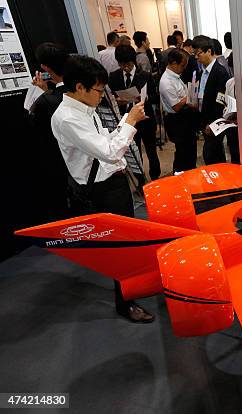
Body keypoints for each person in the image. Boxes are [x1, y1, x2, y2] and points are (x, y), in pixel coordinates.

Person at [51, 55, 152, 323]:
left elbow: (103, 143)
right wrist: (129, 121)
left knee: (128, 245)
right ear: (80, 87)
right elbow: (108, 151)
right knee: (121, 249)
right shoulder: (68, 118)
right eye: (98, 90)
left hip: (112, 182)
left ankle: (133, 288)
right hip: (101, 189)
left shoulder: (84, 108)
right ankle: (126, 302)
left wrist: (123, 127)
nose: (101, 96)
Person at [29, 42, 70, 223]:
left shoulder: (46, 101)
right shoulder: (78, 87)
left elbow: (38, 126)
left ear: (45, 67)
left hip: (58, 159)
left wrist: (44, 95)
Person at [109, 45, 160, 182]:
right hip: (127, 121)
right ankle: (140, 180)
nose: (125, 67)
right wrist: (118, 101)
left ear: (133, 61)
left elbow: (155, 97)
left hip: (146, 118)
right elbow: (112, 96)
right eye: (121, 64)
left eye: (128, 64)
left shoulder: (144, 75)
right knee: (133, 152)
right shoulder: (114, 76)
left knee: (151, 150)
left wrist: (144, 98)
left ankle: (155, 177)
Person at [192, 35, 230, 165]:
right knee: (213, 155)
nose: (196, 57)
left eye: (199, 54)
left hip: (214, 122)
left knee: (212, 155)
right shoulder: (203, 71)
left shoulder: (220, 72)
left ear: (209, 51)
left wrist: (212, 124)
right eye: (195, 54)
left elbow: (220, 102)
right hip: (204, 118)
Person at [159, 48, 198, 172]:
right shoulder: (166, 82)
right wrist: (189, 97)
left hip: (186, 117)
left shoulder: (175, 76)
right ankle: (180, 176)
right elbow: (176, 106)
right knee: (182, 152)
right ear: (174, 63)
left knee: (190, 149)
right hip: (177, 120)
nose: (184, 68)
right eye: (182, 65)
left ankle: (191, 172)